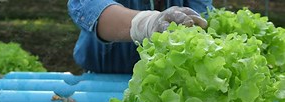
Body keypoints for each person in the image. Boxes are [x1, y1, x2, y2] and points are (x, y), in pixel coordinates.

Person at [67, 0, 213, 74]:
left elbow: (200, 17)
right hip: (103, 77)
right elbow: (88, 7)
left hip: (167, 85)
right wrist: (145, 23)